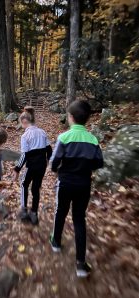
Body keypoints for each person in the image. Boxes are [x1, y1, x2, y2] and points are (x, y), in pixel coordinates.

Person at [50, 100, 103, 278]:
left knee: (61, 212)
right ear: (86, 120)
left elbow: (55, 162)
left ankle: (56, 242)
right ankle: (81, 263)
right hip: (84, 185)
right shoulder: (93, 139)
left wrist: (57, 169)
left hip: (65, 183)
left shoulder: (64, 138)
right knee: (79, 219)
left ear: (70, 118)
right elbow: (98, 162)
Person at [13, 112, 52, 225]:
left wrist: (17, 169)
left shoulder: (25, 136)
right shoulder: (42, 132)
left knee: (24, 184)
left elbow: (24, 155)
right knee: (35, 188)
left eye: (22, 123)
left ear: (24, 121)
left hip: (31, 166)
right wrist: (48, 161)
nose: (22, 126)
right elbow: (49, 149)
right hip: (42, 166)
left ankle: (24, 209)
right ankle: (34, 212)